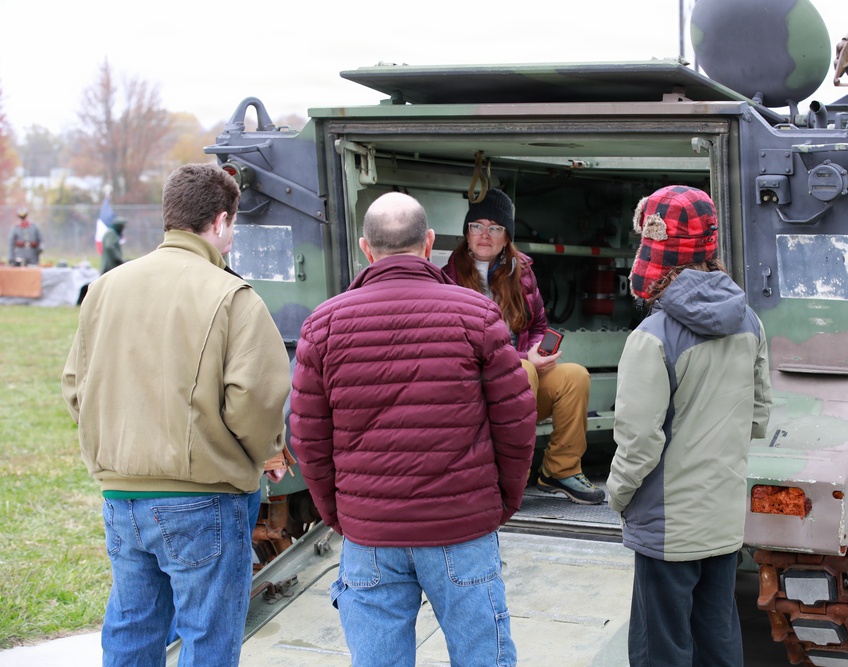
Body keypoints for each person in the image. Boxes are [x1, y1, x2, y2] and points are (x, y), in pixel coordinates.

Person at [290, 191, 536, 666]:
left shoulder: (322, 325)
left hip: (370, 532)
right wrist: (501, 502)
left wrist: (342, 515)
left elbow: (308, 440)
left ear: (366, 248)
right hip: (462, 526)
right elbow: (516, 423)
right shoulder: (476, 315)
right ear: (428, 244)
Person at [61, 163, 290, 667]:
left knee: (132, 625)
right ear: (220, 222)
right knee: (208, 636)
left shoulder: (104, 288)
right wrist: (269, 453)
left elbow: (76, 387)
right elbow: (255, 398)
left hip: (121, 496)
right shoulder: (232, 295)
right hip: (202, 499)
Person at [607, 185, 772, 667]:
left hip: (666, 525)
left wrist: (616, 496)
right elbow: (759, 416)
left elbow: (638, 442)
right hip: (721, 518)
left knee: (662, 649)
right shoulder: (750, 323)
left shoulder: (651, 337)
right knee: (718, 638)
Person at [443, 188, 604, 504]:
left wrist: (536, 351)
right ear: (467, 233)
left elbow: (539, 325)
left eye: (495, 228)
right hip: (471, 394)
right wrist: (520, 358)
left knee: (575, 377)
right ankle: (504, 477)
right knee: (525, 369)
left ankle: (560, 471)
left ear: (507, 238)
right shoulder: (447, 279)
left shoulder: (522, 272)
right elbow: (454, 344)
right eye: (477, 226)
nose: (485, 235)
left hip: (519, 383)